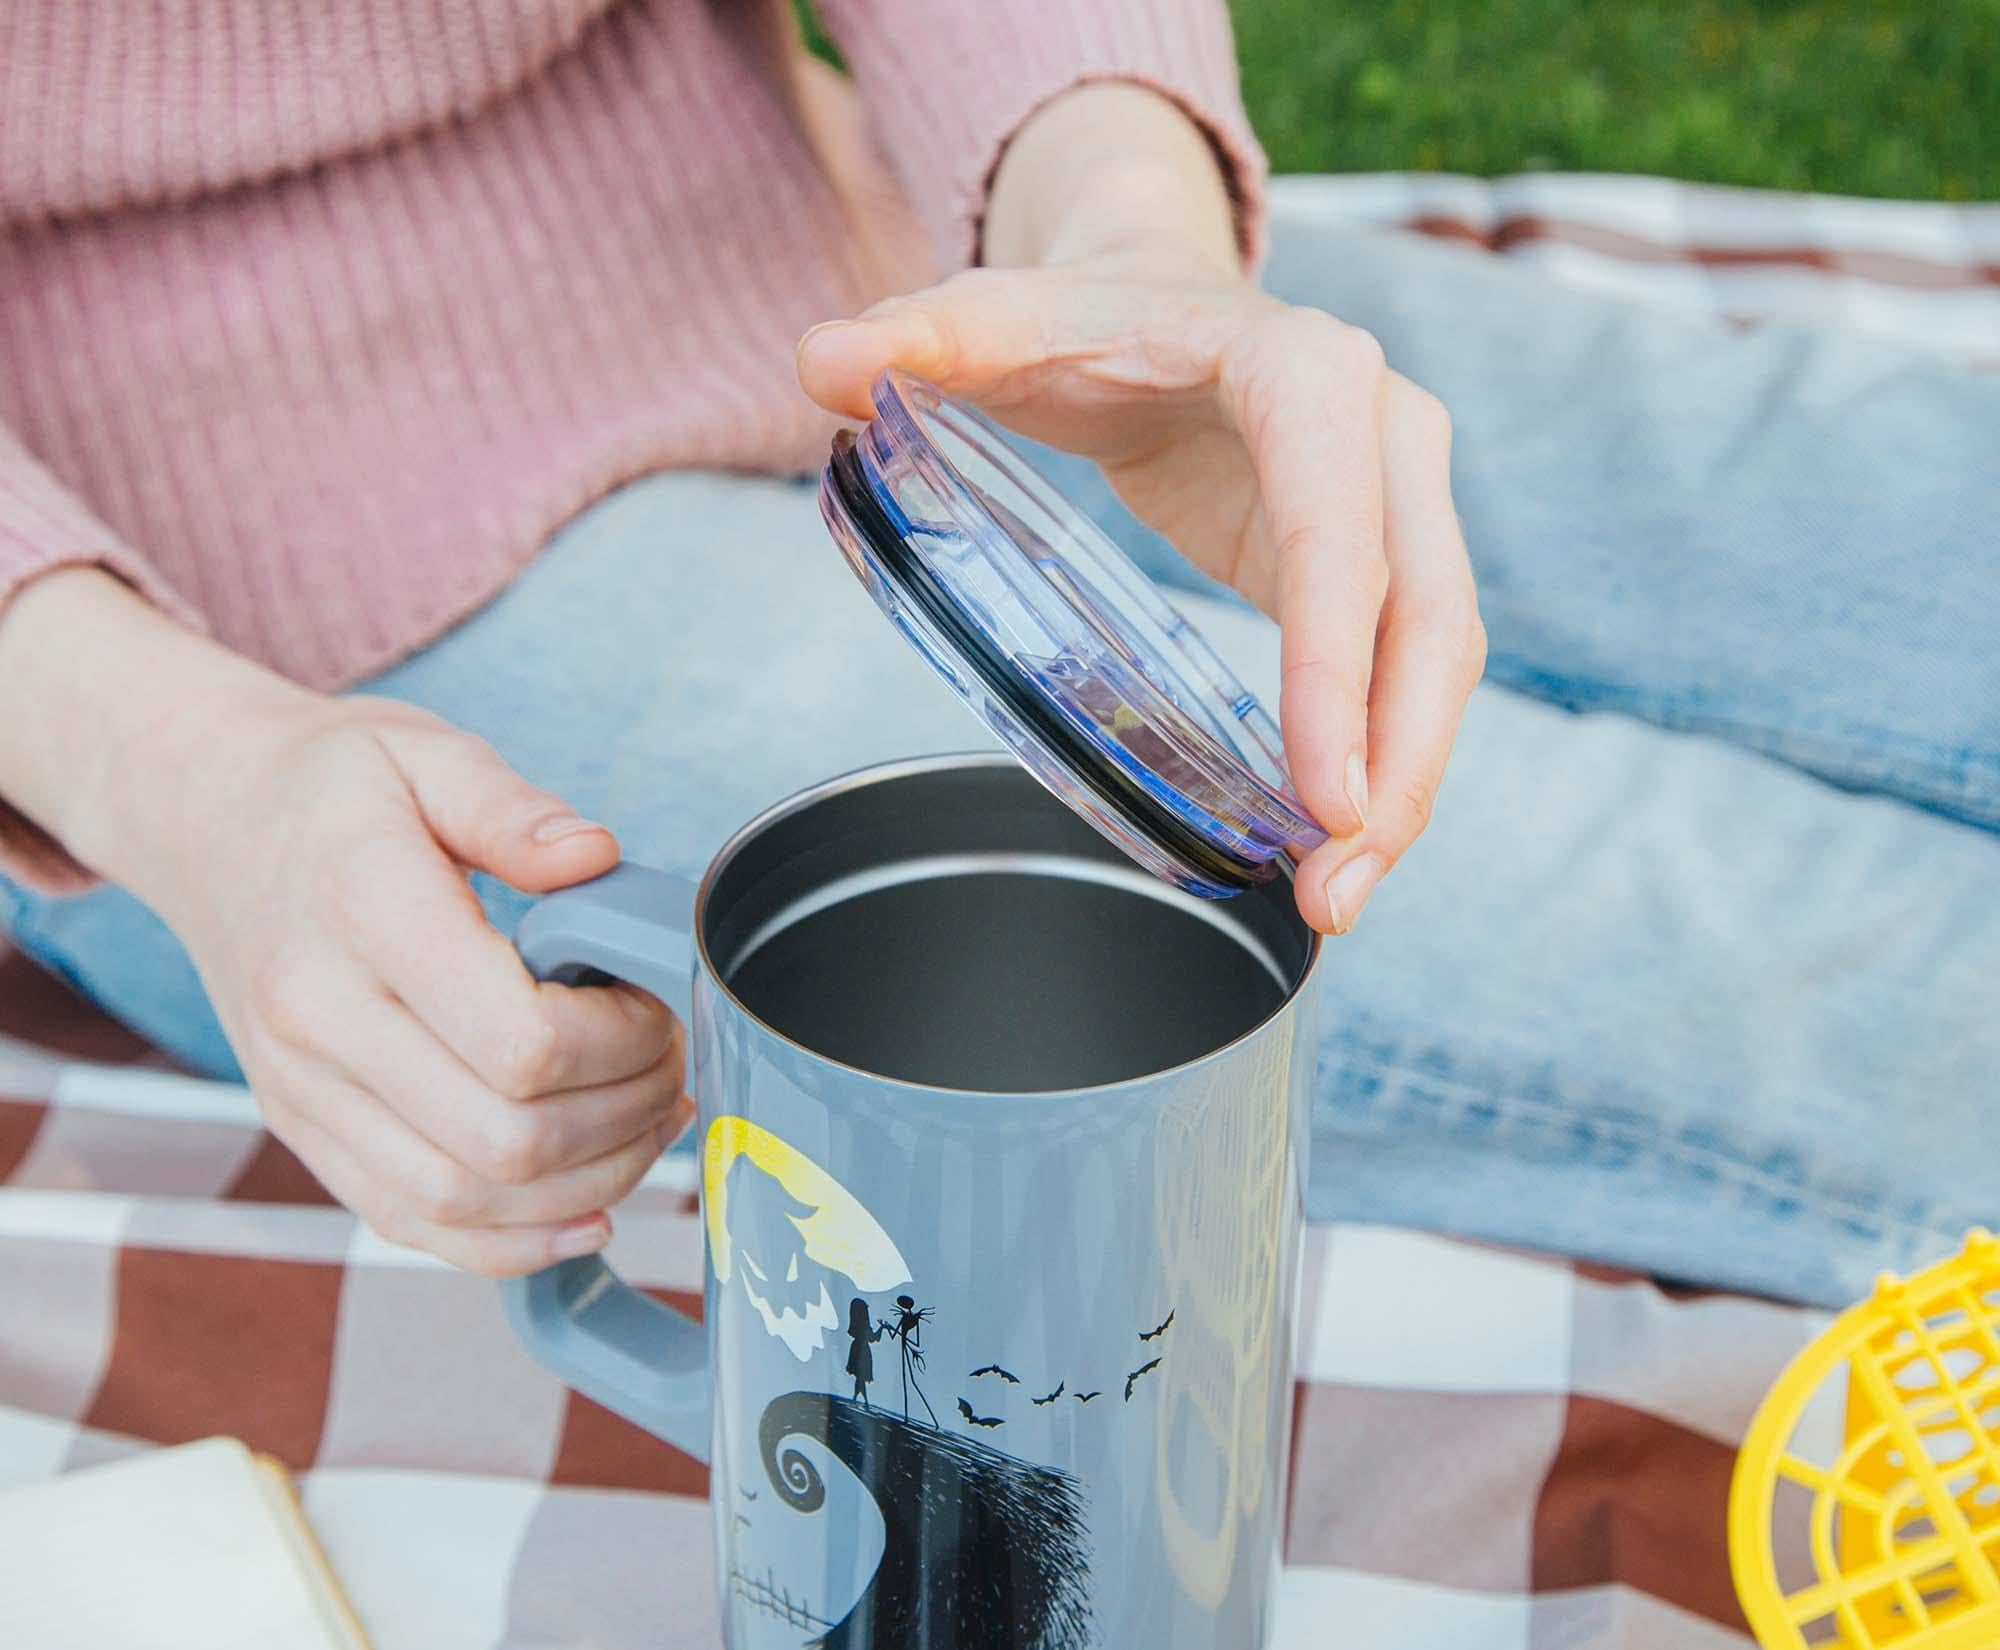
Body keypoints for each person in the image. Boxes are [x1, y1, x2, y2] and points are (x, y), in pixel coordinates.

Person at [0, 3, 1992, 1306]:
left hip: (857, 268)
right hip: (213, 622)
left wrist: (1124, 230)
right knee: (1756, 944)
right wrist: (163, 759)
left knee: (1839, 497)